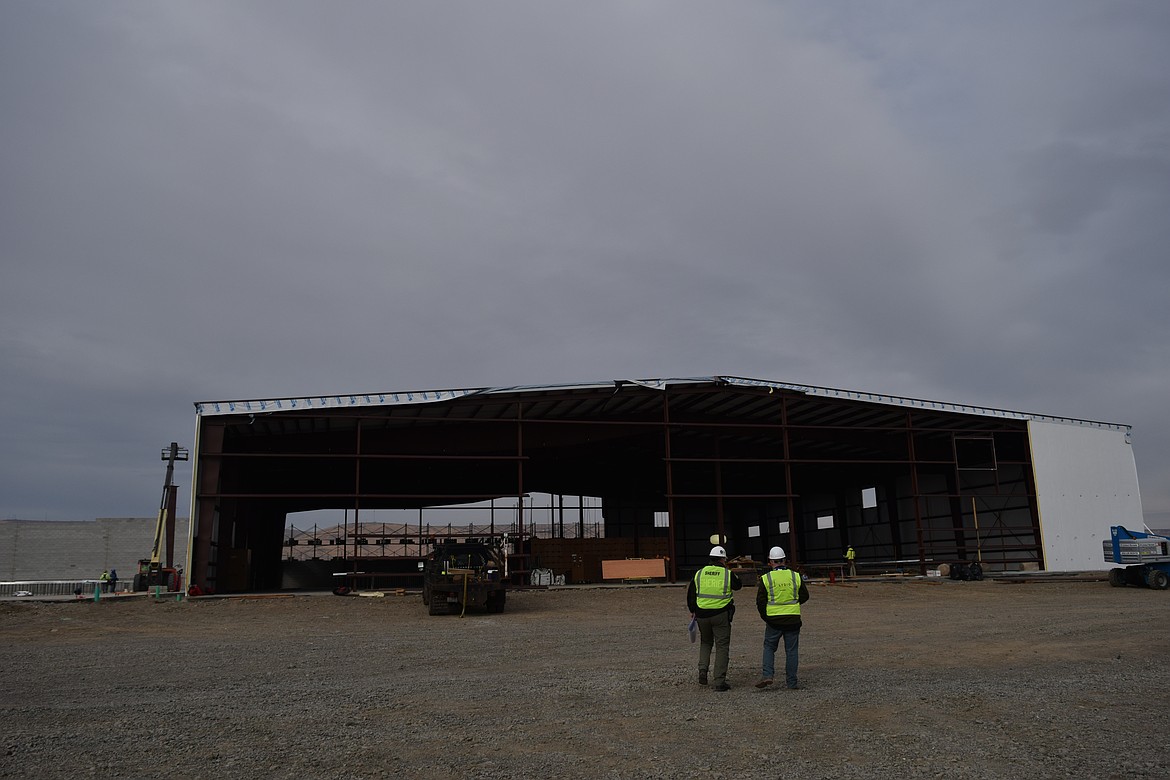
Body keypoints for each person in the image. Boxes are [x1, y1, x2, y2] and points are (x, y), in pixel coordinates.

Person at [687, 545, 742, 692]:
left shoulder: (699, 573)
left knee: (705, 642)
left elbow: (691, 593)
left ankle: (703, 670)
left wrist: (693, 610)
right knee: (722, 647)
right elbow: (738, 586)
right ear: (723, 559)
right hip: (721, 615)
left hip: (702, 615)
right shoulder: (727, 574)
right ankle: (719, 681)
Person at [755, 546, 810, 690]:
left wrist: (766, 616)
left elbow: (760, 601)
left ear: (770, 562)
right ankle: (792, 683)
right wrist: (793, 604)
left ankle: (768, 675)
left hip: (773, 620)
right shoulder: (795, 576)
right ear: (785, 560)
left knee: (769, 647)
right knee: (791, 651)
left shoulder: (766, 578)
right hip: (792, 619)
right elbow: (805, 596)